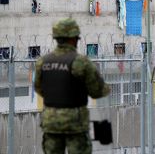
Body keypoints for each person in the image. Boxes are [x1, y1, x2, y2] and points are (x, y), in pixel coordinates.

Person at [34, 18, 110, 154]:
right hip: (75, 123)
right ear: (73, 38)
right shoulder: (81, 62)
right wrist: (106, 88)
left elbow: (38, 88)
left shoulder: (43, 62)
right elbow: (97, 91)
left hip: (51, 122)